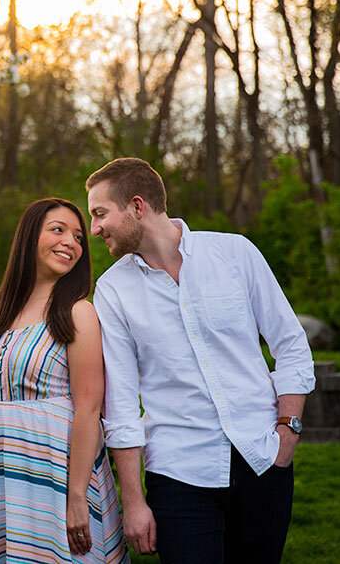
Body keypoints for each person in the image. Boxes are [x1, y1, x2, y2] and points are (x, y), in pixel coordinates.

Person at [85, 157, 315, 564]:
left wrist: (287, 432)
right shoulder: (111, 290)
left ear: (138, 206)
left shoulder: (235, 253)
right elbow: (120, 405)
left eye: (100, 213)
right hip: (178, 473)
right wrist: (134, 503)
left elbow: (291, 344)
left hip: (263, 458)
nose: (94, 228)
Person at [0, 197, 129, 564]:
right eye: (58, 230)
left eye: (78, 237)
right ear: (28, 237)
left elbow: (89, 408)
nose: (70, 242)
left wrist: (75, 497)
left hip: (58, 477)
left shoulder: (77, 313)